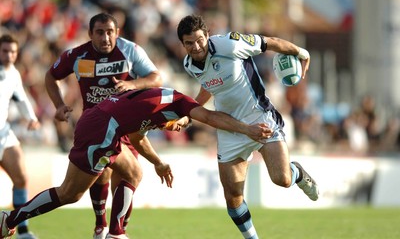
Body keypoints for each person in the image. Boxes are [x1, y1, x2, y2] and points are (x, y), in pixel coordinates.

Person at [0, 87, 272, 239]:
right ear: (183, 115)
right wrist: (247, 129)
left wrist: (159, 162)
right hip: (102, 129)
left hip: (103, 123)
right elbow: (210, 118)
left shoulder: (157, 107)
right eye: (178, 125)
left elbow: (137, 137)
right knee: (70, 193)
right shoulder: (179, 104)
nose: (175, 129)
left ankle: (116, 233)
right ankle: (10, 219)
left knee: (133, 171)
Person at [176, 14, 319, 239]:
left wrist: (300, 52)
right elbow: (210, 86)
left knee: (282, 180)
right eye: (189, 43)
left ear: (207, 36)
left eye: (200, 40)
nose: (196, 47)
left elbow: (268, 42)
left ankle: (297, 172)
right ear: (182, 44)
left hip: (259, 117)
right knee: (233, 197)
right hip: (229, 127)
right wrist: (191, 110)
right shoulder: (189, 65)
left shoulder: (229, 44)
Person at [44, 12, 162, 239]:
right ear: (90, 35)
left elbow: (156, 78)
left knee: (126, 180)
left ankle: (115, 232)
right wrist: (58, 104)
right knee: (107, 174)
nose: (106, 38)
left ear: (117, 33)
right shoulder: (78, 55)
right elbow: (51, 76)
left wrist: (132, 84)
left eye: (110, 32)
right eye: (100, 33)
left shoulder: (131, 50)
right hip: (96, 126)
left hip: (127, 126)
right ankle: (105, 228)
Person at [0, 34, 41, 239]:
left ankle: (22, 230)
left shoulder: (14, 74)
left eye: (13, 51)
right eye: (5, 51)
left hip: (3, 134)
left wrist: (31, 118)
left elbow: (21, 98)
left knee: (21, 178)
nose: (9, 55)